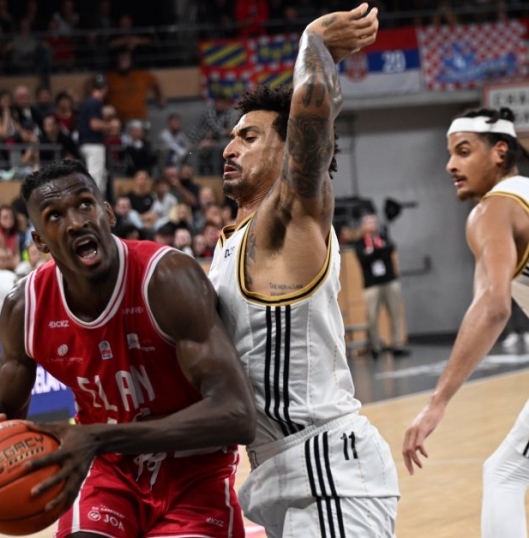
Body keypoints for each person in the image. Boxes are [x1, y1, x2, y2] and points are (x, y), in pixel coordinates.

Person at [0, 159, 256, 538]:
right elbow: (1, 410)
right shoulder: (24, 307)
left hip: (194, 470)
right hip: (110, 471)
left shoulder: (168, 279)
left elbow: (238, 414)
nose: (76, 222)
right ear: (40, 240)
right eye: (55, 215)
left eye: (84, 205)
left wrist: (97, 438)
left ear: (107, 214)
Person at [208, 5, 399, 537]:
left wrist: (313, 44)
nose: (229, 148)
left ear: (288, 146)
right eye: (231, 136)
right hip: (275, 470)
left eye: (249, 137)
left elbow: (313, 120)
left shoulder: (291, 220)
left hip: (327, 466)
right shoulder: (228, 245)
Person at [402, 107, 529, 538]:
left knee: (505, 473)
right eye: (449, 153)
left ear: (499, 152)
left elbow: (493, 306)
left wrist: (437, 401)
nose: (450, 165)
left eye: (463, 151)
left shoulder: (494, 209)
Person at [354, 211, 409, 358]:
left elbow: (390, 249)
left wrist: (374, 252)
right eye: (369, 222)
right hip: (372, 284)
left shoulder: (383, 238)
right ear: (363, 226)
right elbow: (364, 259)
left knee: (395, 313)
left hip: (389, 281)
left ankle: (397, 344)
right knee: (372, 316)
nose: (373, 224)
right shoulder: (359, 243)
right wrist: (378, 251)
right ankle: (375, 346)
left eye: (374, 221)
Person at [77, 74, 109, 195]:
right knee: (96, 177)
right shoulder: (94, 102)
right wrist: (110, 126)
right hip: (93, 144)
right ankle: (93, 203)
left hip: (85, 143)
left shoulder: (87, 102)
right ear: (105, 88)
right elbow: (94, 125)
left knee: (98, 175)